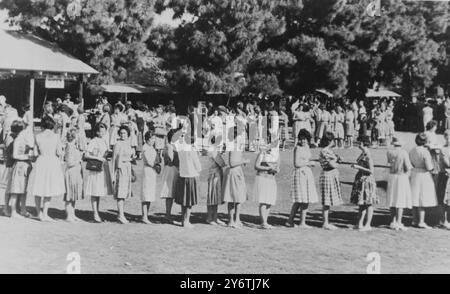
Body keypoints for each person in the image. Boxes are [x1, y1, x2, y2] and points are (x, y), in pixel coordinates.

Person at [27, 116, 66, 222]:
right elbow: (59, 152)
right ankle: (45, 213)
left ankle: (38, 213)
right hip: (52, 162)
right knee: (49, 187)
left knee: (38, 187)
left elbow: (35, 153)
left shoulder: (38, 136)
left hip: (41, 161)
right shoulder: (56, 136)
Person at [287, 129, 318, 228]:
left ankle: (301, 222)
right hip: (300, 174)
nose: (303, 141)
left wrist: (312, 162)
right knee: (300, 199)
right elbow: (296, 164)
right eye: (301, 139)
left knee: (306, 198)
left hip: (307, 173)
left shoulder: (308, 147)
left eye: (305, 139)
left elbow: (306, 159)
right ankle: (292, 221)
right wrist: (309, 163)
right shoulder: (298, 148)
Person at [84, 123, 113, 223]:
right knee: (94, 191)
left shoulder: (105, 141)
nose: (102, 133)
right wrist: (97, 158)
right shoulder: (93, 141)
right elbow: (86, 154)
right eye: (100, 131)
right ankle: (95, 213)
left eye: (103, 131)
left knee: (99, 191)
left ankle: (97, 212)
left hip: (103, 168)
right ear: (96, 132)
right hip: (95, 168)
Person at [409, 133, 438, 229]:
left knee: (415, 196)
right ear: (425, 141)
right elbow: (429, 166)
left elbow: (411, 163)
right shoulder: (425, 152)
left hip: (415, 173)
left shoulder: (412, 150)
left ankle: (414, 220)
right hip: (424, 174)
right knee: (422, 197)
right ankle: (421, 221)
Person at [350, 136, 378, 231]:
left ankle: (368, 225)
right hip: (361, 179)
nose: (358, 144)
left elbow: (371, 170)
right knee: (361, 203)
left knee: (368, 203)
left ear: (362, 143)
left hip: (367, 180)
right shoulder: (363, 153)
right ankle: (359, 224)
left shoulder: (368, 155)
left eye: (359, 142)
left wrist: (358, 167)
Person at [5, 121, 32, 218]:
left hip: (24, 166)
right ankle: (13, 212)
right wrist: (27, 157)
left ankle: (23, 210)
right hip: (20, 166)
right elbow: (15, 155)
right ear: (22, 130)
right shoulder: (18, 140)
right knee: (16, 189)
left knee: (23, 189)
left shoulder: (22, 139)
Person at [175, 133, 202, 228]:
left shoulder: (181, 149)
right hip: (190, 176)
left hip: (182, 175)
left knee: (183, 200)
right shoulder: (191, 150)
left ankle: (183, 220)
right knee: (189, 201)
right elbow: (198, 166)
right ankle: (187, 221)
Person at [386, 137, 413, 231]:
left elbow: (389, 163)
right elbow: (408, 166)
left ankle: (392, 221)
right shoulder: (404, 153)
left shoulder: (389, 152)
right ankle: (399, 222)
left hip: (392, 176)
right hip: (401, 176)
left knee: (393, 198)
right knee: (400, 199)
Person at [319, 132, 343, 230]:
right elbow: (333, 164)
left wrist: (337, 160)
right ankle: (325, 223)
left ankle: (327, 221)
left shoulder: (329, 150)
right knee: (327, 200)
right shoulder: (325, 151)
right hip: (328, 174)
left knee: (328, 199)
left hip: (331, 175)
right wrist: (338, 161)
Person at [112, 125, 135, 224]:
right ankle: (121, 215)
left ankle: (120, 213)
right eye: (121, 133)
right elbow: (114, 159)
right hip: (120, 169)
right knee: (120, 193)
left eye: (124, 133)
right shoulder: (117, 144)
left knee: (125, 192)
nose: (122, 135)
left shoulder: (128, 144)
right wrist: (113, 174)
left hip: (127, 169)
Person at [254, 142, 280, 229]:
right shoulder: (262, 152)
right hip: (262, 177)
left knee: (269, 201)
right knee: (263, 200)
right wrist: (268, 168)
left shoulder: (276, 154)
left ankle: (265, 221)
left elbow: (278, 167)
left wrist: (276, 169)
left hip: (271, 178)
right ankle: (263, 222)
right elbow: (256, 166)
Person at [63, 129, 84, 223]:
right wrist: (79, 160)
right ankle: (69, 216)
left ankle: (73, 214)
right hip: (71, 172)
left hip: (75, 172)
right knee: (69, 195)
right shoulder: (69, 147)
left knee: (73, 195)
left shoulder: (74, 147)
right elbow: (69, 162)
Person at [205, 135, 226, 225]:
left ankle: (215, 217)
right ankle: (210, 217)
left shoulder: (213, 149)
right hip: (214, 175)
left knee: (215, 197)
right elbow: (221, 163)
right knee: (212, 197)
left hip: (216, 174)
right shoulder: (213, 150)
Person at [141, 130, 159, 224]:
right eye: (152, 139)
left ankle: (146, 215)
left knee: (150, 194)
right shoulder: (145, 148)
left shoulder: (151, 148)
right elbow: (149, 161)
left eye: (154, 139)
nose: (153, 141)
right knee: (146, 193)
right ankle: (144, 216)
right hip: (148, 170)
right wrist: (156, 165)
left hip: (152, 172)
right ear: (147, 139)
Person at [438, 130, 450, 229]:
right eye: (447, 136)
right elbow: (447, 163)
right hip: (445, 175)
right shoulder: (443, 149)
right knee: (443, 198)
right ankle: (443, 220)